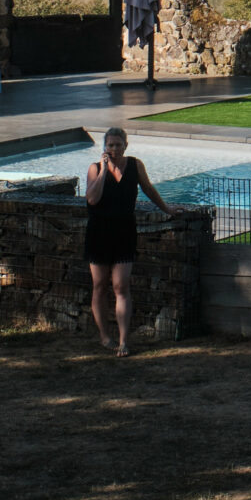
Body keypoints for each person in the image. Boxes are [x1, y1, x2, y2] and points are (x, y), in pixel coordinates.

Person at [84, 127, 179, 356]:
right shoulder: (95, 169)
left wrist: (167, 208)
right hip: (99, 233)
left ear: (126, 145)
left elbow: (148, 189)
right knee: (99, 286)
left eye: (118, 145)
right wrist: (105, 170)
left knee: (121, 286)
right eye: (110, 145)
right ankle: (105, 336)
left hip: (124, 231)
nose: (114, 149)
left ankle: (124, 340)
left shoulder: (135, 165)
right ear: (104, 147)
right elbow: (92, 198)